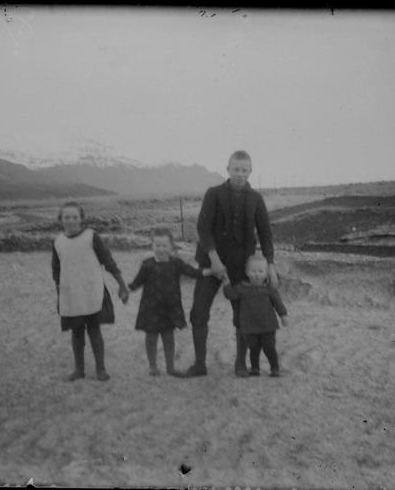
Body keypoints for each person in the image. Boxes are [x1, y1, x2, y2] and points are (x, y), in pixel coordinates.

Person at [180, 150, 279, 378]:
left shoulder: (256, 199)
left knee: (242, 316)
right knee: (198, 312)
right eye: (236, 169)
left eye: (244, 170)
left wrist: (271, 267)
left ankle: (240, 363)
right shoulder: (213, 194)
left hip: (241, 267)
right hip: (210, 262)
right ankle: (200, 364)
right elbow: (203, 229)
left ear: (250, 171)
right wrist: (215, 261)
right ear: (228, 169)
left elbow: (266, 235)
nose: (240, 174)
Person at [51, 201, 129, 381]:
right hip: (71, 294)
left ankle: (101, 369)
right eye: (66, 217)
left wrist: (121, 284)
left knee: (94, 330)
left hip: (92, 291)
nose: (71, 221)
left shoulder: (91, 237)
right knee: (77, 332)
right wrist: (60, 293)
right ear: (61, 219)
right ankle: (79, 370)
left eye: (74, 217)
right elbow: (56, 270)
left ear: (81, 219)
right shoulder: (58, 242)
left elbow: (107, 260)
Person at [128, 228, 214, 376]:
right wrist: (126, 290)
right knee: (151, 338)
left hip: (170, 309)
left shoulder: (176, 263)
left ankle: (170, 368)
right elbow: (137, 282)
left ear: (171, 247)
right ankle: (153, 367)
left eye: (164, 245)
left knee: (168, 338)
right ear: (152, 246)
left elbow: (194, 273)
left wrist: (212, 270)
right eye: (157, 245)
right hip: (151, 309)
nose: (161, 249)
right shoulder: (147, 265)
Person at [222, 254, 289, 377]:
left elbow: (277, 302)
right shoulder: (242, 287)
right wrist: (226, 283)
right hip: (250, 326)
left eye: (261, 271)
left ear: (266, 273)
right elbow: (231, 295)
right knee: (253, 348)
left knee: (269, 347)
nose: (257, 274)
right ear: (247, 272)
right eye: (253, 271)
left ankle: (275, 368)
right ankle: (255, 368)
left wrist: (283, 315)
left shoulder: (269, 289)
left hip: (268, 325)